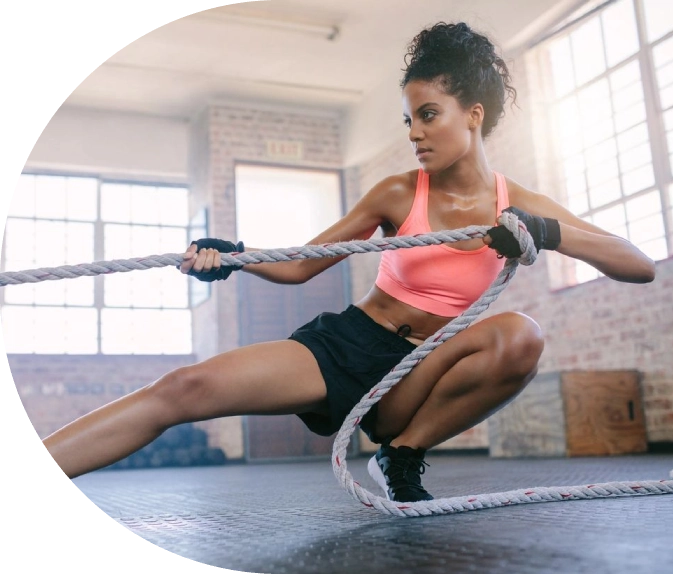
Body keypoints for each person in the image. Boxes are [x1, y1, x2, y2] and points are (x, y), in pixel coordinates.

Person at [41, 21, 655, 503]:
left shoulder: (519, 204)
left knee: (522, 335)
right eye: (409, 118)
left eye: (429, 115)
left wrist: (543, 232)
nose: (415, 132)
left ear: (475, 115)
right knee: (184, 388)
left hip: (414, 377)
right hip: (345, 346)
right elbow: (304, 264)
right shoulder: (397, 192)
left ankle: (403, 455)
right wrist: (232, 257)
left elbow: (636, 264)